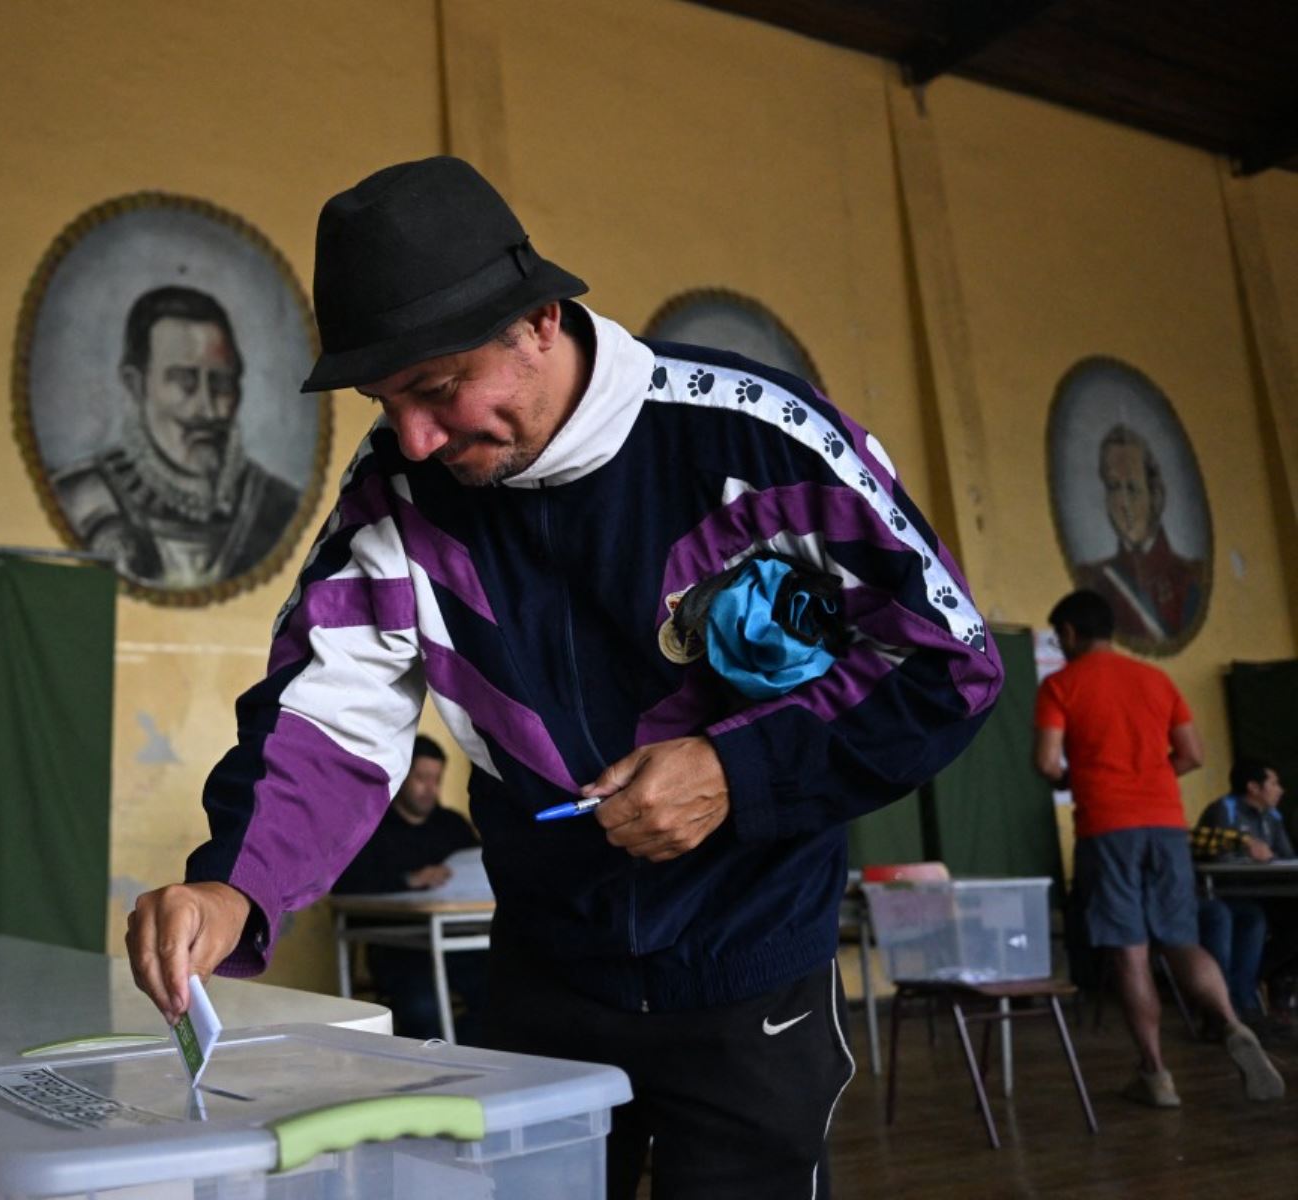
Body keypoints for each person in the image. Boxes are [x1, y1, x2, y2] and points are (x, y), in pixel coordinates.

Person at [126, 155, 1006, 1199]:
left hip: (749, 968)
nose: (411, 436)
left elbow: (951, 661)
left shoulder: (753, 436)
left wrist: (737, 773)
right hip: (547, 973)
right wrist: (238, 882)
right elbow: (328, 710)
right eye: (384, 399)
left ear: (541, 320)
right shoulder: (398, 497)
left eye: (438, 388)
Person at [1033, 589, 1282, 1107]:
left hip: (1108, 828)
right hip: (1167, 824)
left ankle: (1156, 1075)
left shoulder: (1061, 685)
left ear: (1072, 634)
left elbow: (1046, 762)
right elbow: (1192, 754)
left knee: (1131, 952)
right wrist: (1148, 777)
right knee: (1181, 938)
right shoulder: (1157, 679)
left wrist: (1088, 778)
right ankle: (1234, 1024)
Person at [52, 285, 301, 589]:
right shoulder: (80, 500)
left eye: (221, 383)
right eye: (185, 381)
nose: (207, 409)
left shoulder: (278, 507)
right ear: (136, 384)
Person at [332, 735, 486, 1042]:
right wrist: (409, 880)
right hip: (397, 950)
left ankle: (463, 1057)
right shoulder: (371, 825)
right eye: (421, 778)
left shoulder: (452, 826)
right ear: (402, 775)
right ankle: (437, 1069)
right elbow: (342, 884)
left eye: (436, 779)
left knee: (500, 995)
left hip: (456, 946)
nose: (430, 788)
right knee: (423, 1009)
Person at [1071, 424, 1205, 646]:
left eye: (1132, 488)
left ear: (1156, 495)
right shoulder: (1094, 579)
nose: (1122, 503)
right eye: (1113, 487)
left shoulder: (1190, 578)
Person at [1192, 759, 1298, 1025]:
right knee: (1242, 917)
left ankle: (1260, 984)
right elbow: (1210, 857)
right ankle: (1226, 1005)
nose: (1280, 789)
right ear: (1253, 787)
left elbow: (1284, 857)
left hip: (1263, 892)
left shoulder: (1272, 816)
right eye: (1274, 783)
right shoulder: (1223, 810)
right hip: (1222, 894)